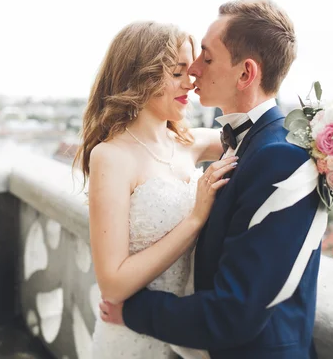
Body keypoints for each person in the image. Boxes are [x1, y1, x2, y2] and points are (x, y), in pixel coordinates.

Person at [100, 0, 328, 359]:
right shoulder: (242, 141)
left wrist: (134, 313)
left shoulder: (281, 157)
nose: (193, 70)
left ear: (245, 73)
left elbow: (234, 311)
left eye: (206, 57)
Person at [74, 21, 237, 358]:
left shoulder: (190, 143)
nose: (191, 83)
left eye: (191, 72)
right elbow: (113, 284)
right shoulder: (111, 156)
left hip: (186, 333)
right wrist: (195, 219)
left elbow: (258, 139)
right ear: (141, 77)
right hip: (131, 338)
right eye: (178, 73)